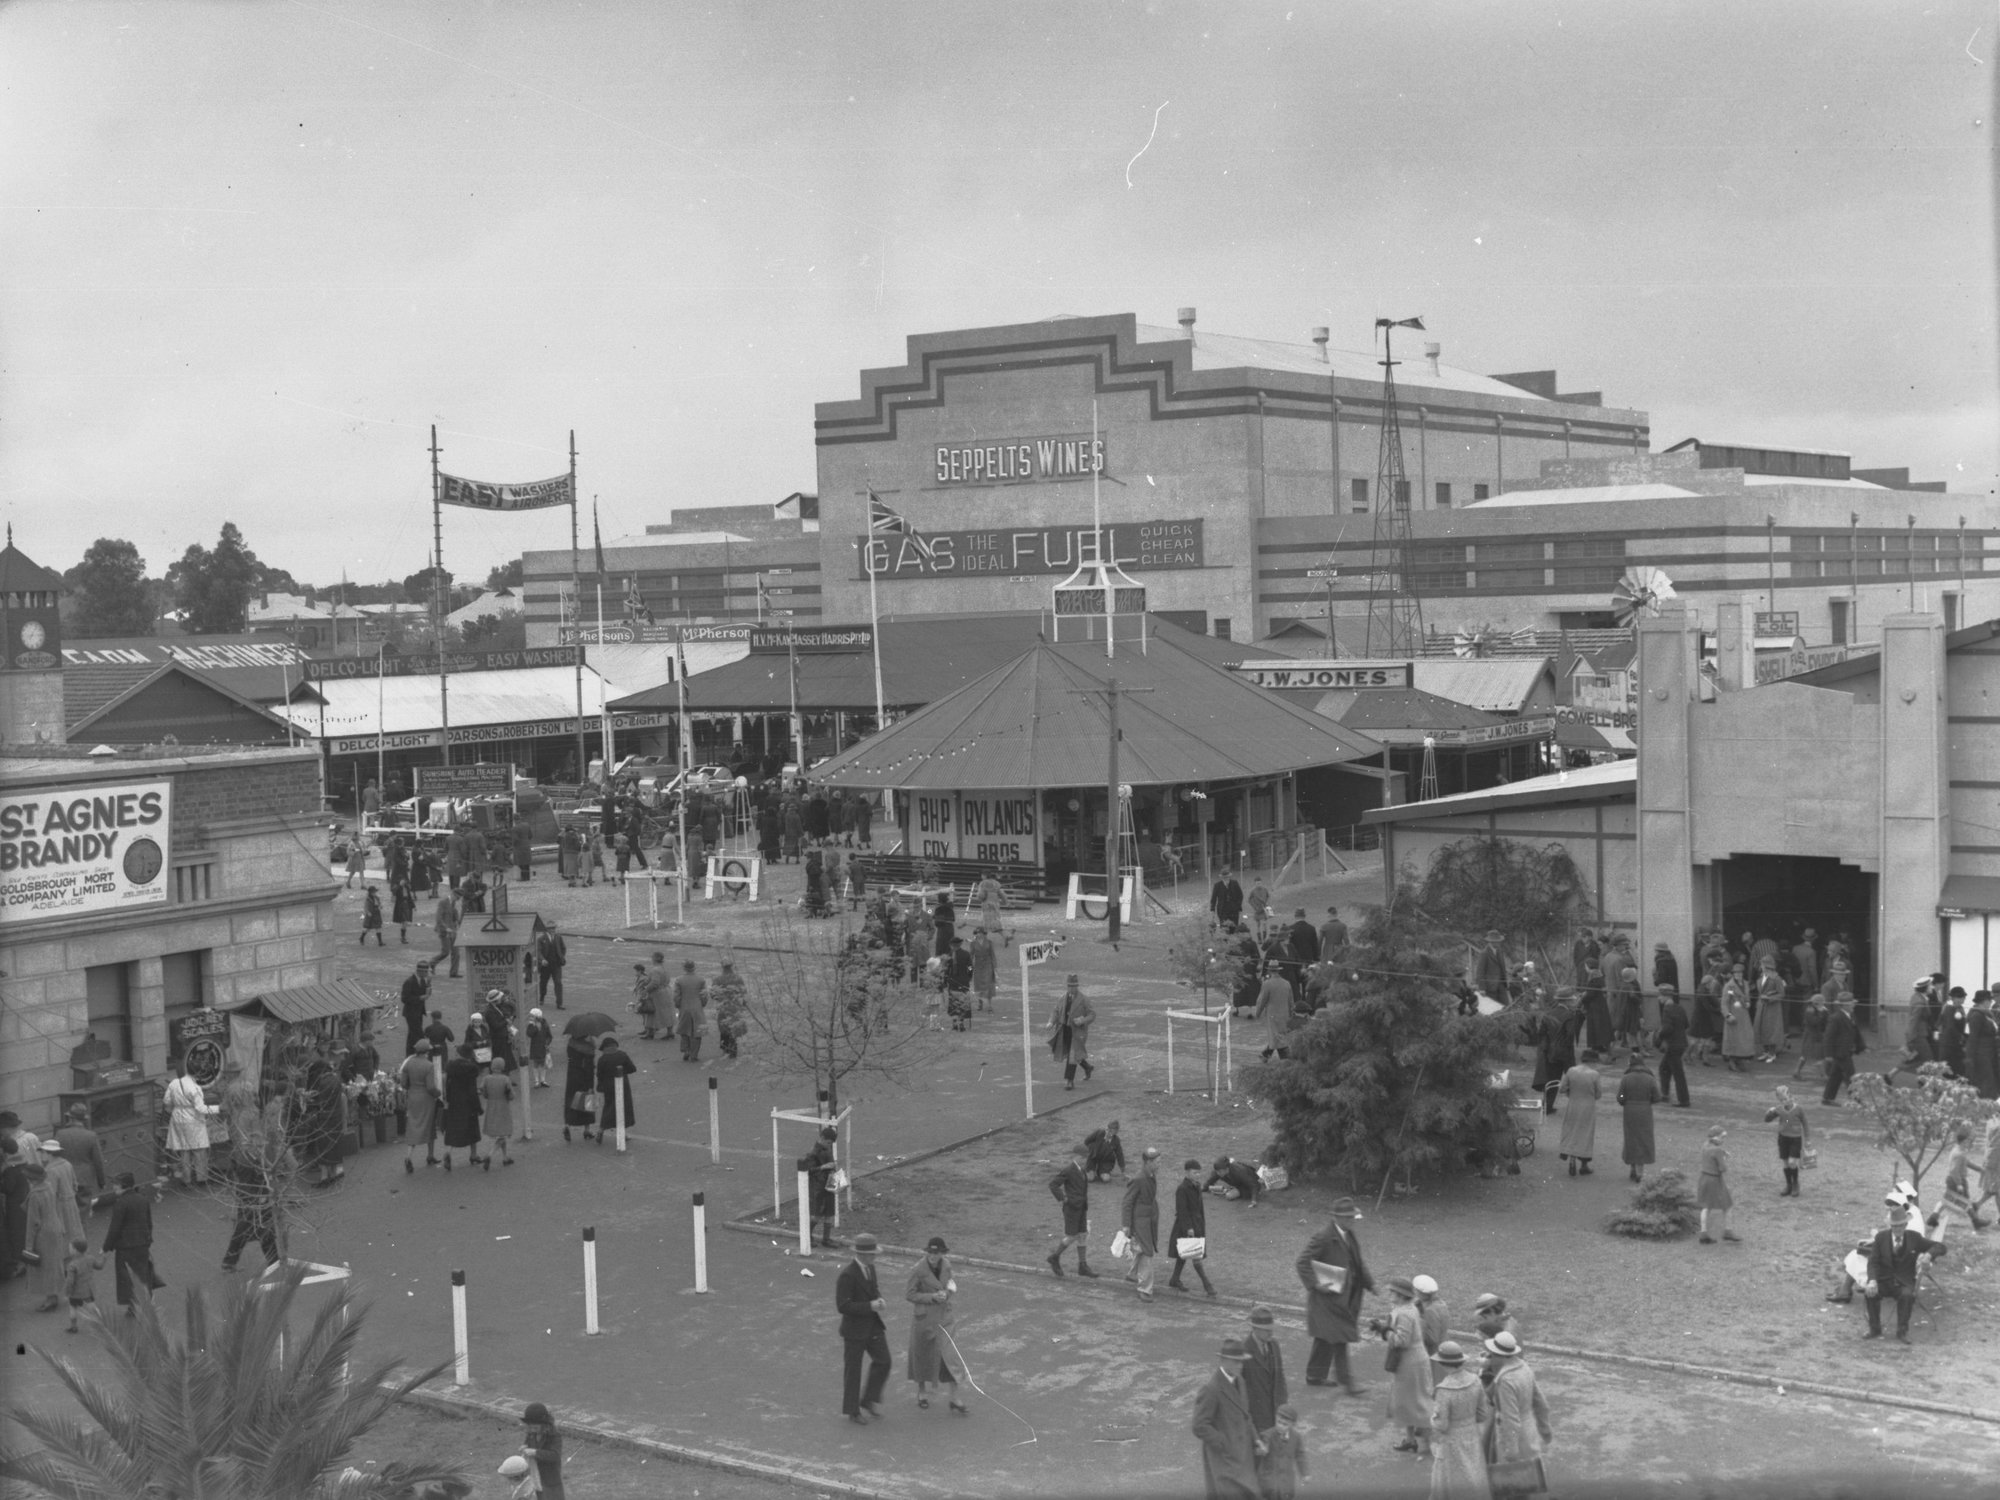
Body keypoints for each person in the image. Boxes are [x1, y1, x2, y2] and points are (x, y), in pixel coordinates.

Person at [1296, 1197, 1373, 1393]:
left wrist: (1369, 1283)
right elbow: (1302, 1262)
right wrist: (1316, 1285)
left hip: (1345, 1295)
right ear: (1336, 1217)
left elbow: (1357, 1261)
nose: (1352, 1220)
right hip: (1327, 1299)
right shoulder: (1323, 1236)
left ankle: (1314, 1376)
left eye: (1353, 1216)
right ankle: (1347, 1383)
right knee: (1340, 1338)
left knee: (1325, 1337)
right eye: (1348, 1217)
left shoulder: (1349, 1234)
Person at [1863, 1196, 1947, 1342]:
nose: (1897, 1229)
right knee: (1870, 1292)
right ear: (1890, 1226)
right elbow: (1873, 1262)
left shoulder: (1914, 1238)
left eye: (1900, 1225)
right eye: (1894, 1226)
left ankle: (1902, 1331)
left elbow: (1941, 1247)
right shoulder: (1881, 1238)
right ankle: (1874, 1329)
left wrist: (1928, 1254)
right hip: (1883, 1281)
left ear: (1906, 1225)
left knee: (1907, 1295)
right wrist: (1872, 1280)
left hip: (1904, 1282)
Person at [1191, 1338, 1263, 1500]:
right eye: (1236, 1362)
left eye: (1242, 1362)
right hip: (1224, 1461)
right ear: (1223, 1361)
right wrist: (1223, 1442)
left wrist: (1256, 1438)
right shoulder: (1212, 1389)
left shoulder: (1240, 1381)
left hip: (1243, 1456)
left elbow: (1246, 1414)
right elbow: (1199, 1425)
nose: (1240, 1366)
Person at [904, 1234, 968, 1413]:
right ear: (927, 1252)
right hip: (924, 1320)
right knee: (922, 1356)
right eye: (930, 1253)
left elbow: (950, 1285)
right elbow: (909, 1294)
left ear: (942, 1253)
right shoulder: (918, 1269)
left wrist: (947, 1294)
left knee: (950, 1356)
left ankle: (955, 1397)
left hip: (944, 1319)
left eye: (937, 1253)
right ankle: (922, 1392)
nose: (933, 1256)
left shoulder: (947, 1265)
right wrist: (932, 1297)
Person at [836, 1231, 893, 1424]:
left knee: (884, 1361)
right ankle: (853, 1410)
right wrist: (870, 1306)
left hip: (872, 1325)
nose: (875, 1256)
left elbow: (873, 1289)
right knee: (853, 1370)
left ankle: (868, 1399)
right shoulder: (848, 1275)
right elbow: (843, 1306)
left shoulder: (870, 1268)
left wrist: (878, 1299)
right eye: (872, 1253)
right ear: (861, 1254)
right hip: (854, 1330)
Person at [1376, 1276, 1435, 1456]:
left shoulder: (1404, 1313)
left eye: (1392, 1292)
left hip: (1411, 1363)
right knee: (1408, 1402)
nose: (1389, 1294)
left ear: (1401, 1295)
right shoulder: (1406, 1308)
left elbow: (1402, 1340)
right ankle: (1411, 1440)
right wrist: (1384, 1327)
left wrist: (1384, 1332)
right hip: (1411, 1361)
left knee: (1417, 1402)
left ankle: (1433, 1442)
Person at [1426, 1342, 1490, 1500]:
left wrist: (1431, 1419)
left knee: (1448, 1480)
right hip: (1472, 1435)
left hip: (1451, 1440)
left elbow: (1442, 1424)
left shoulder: (1444, 1389)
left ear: (1442, 1363)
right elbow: (1482, 1414)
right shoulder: (1475, 1380)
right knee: (1474, 1474)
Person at [1483, 1332, 1553, 1469]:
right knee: (1534, 1473)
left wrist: (1511, 1451)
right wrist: (1544, 1428)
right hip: (1529, 1429)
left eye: (1492, 1353)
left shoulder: (1506, 1381)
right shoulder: (1524, 1367)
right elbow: (1540, 1402)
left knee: (1514, 1480)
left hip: (1515, 1438)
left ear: (1499, 1355)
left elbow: (1510, 1419)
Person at [101, 1172, 164, 1312]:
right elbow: (148, 1222)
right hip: (142, 1243)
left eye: (116, 1184)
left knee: (127, 1276)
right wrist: (148, 1239)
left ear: (123, 1186)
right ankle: (147, 1301)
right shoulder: (142, 1199)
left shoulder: (120, 1203)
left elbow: (114, 1228)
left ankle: (133, 1305)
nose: (114, 1187)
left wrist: (106, 1247)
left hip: (125, 1246)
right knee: (142, 1273)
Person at [163, 1057, 218, 1186]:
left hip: (177, 1118)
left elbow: (166, 1102)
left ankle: (186, 1179)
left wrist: (175, 1110)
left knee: (184, 1150)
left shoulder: (174, 1083)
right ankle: (201, 1178)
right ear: (199, 1073)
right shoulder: (195, 1088)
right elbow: (201, 1108)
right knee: (199, 1149)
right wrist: (218, 1108)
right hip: (193, 1119)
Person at [1046, 1142, 1098, 1277]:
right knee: (1072, 1236)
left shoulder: (1081, 1171)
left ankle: (1083, 1265)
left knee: (1082, 1235)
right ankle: (1055, 1257)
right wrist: (1063, 1198)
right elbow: (1053, 1184)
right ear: (1077, 1156)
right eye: (1084, 1157)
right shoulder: (1069, 1170)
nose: (1086, 1160)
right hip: (1072, 1209)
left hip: (1081, 1208)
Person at [1167, 1158, 1216, 1298]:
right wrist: (1189, 1228)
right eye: (1195, 1172)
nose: (1197, 1175)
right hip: (1187, 1226)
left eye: (1199, 1173)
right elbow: (1182, 1210)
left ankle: (1174, 1279)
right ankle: (1208, 1286)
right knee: (1195, 1256)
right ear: (1187, 1173)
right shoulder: (1182, 1189)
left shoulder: (1196, 1186)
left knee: (1184, 1253)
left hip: (1197, 1224)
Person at [1121, 1145, 1161, 1302]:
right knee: (1147, 1252)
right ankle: (1144, 1289)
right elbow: (1127, 1202)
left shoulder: (1150, 1175)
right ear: (1148, 1162)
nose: (1159, 1164)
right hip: (1141, 1221)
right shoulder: (1139, 1179)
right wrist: (1126, 1225)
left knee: (1140, 1249)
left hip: (1148, 1219)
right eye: (1157, 1161)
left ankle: (1132, 1274)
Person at [1241, 1304, 1288, 1430]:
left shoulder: (1274, 1345)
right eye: (1266, 1329)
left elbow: (1280, 1377)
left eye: (1271, 1329)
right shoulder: (1243, 1351)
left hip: (1276, 1413)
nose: (1271, 1332)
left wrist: (1283, 1405)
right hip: (1255, 1418)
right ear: (1255, 1329)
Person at [53, 1105, 107, 1213]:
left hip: (65, 1177)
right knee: (83, 1212)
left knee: (66, 1212)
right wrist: (102, 1182)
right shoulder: (91, 1136)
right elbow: (98, 1161)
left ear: (71, 1118)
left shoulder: (60, 1134)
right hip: (84, 1179)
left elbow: (54, 1156)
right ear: (84, 1120)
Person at [439, 1044, 485, 1171]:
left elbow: (447, 1086)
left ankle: (448, 1152)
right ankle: (473, 1154)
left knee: (453, 1129)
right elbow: (472, 1091)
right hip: (468, 1104)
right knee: (472, 1129)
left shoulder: (450, 1068)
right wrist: (478, 1107)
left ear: (460, 1054)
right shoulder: (471, 1070)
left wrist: (447, 1099)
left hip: (454, 1102)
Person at [1556, 1050, 1601, 1177]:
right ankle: (1584, 1165)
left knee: (1571, 1130)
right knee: (1585, 1133)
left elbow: (1562, 1089)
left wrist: (1571, 1091)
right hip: (1588, 1107)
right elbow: (1598, 1094)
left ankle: (1571, 1158)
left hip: (1573, 1105)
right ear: (1593, 1061)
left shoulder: (1571, 1071)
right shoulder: (1594, 1074)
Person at [1617, 1050, 1659, 1183]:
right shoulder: (1650, 1078)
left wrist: (1624, 1100)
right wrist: (1648, 1101)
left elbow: (1621, 1095)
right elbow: (1657, 1097)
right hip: (1645, 1110)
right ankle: (1640, 1171)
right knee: (1644, 1139)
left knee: (1631, 1138)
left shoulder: (1626, 1078)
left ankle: (1633, 1167)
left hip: (1629, 1110)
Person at [1049, 974, 1096, 1090]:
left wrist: (1083, 1020)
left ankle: (1069, 1081)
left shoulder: (1084, 999)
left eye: (1074, 986)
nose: (1071, 988)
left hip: (1077, 1032)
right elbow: (1056, 1011)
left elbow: (1092, 1014)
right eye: (1069, 986)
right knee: (1074, 1054)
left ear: (1077, 986)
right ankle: (1087, 1067)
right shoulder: (1062, 998)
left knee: (1072, 1055)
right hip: (1064, 1030)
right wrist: (1051, 1022)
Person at [1763, 1086, 1812, 1197]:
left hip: (1795, 1138)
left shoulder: (1799, 1109)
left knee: (1791, 1162)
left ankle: (1795, 1184)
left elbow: (1805, 1123)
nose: (1784, 1102)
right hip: (1783, 1138)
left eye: (1785, 1099)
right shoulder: (1779, 1109)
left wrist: (1807, 1139)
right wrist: (1769, 1113)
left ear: (1791, 1097)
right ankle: (1788, 1185)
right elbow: (1767, 1120)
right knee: (1785, 1163)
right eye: (1781, 1100)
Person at [1695, 1124, 1738, 1244]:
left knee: (1706, 1206)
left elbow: (1712, 1152)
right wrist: (1723, 1158)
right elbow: (1722, 1168)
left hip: (1704, 1178)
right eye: (1722, 1137)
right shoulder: (1717, 1150)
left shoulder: (1705, 1145)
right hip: (1715, 1180)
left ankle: (1703, 1233)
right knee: (1727, 1205)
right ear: (1716, 1138)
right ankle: (1728, 1231)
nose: (1724, 1140)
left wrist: (1723, 1152)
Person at [1256, 1403, 1309, 1500]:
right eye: (1279, 1422)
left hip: (1287, 1481)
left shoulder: (1296, 1437)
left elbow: (1300, 1455)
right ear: (1276, 1418)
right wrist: (1262, 1449)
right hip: (1270, 1481)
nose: (1280, 1426)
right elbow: (1260, 1447)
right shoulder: (1268, 1435)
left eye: (1285, 1424)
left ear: (1292, 1424)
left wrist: (1304, 1473)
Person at [1822, 993, 1863, 1105]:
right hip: (1840, 1051)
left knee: (1836, 1075)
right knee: (1851, 1075)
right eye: (1851, 1004)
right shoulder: (1836, 1018)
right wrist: (1828, 1054)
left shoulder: (1851, 1016)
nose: (1853, 1006)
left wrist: (1860, 1045)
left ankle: (1827, 1098)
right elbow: (1828, 1037)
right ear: (1845, 1005)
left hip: (1846, 1050)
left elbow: (1856, 1032)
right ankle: (1855, 1099)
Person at [804, 1124, 840, 1250]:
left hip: (827, 1184)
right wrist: (824, 1167)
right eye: (829, 1143)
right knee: (816, 1214)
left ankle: (826, 1239)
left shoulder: (827, 1149)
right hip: (817, 1187)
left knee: (829, 1213)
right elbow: (808, 1170)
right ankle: (807, 1236)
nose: (830, 1145)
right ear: (823, 1138)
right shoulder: (813, 1153)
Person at [595, 1035, 636, 1142]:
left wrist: (600, 1087)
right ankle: (623, 1134)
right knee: (624, 1109)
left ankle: (601, 1130)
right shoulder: (622, 1055)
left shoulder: (602, 1059)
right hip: (623, 1085)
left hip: (608, 1086)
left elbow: (599, 1075)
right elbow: (632, 1069)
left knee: (609, 1108)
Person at [520, 1401, 565, 1500]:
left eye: (535, 1427)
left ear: (544, 1424)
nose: (532, 1429)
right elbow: (528, 1443)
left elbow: (555, 1455)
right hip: (535, 1477)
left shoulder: (554, 1436)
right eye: (530, 1427)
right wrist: (524, 1447)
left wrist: (535, 1452)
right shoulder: (531, 1434)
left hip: (550, 1479)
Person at [1656, 985, 1691, 1107]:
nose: (1659, 998)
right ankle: (1665, 1095)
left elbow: (1667, 1028)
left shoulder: (1667, 1010)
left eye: (1660, 996)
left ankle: (1684, 1100)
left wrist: (1659, 1034)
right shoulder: (1680, 1008)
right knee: (1664, 1068)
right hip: (1681, 1044)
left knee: (1678, 1073)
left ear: (1665, 997)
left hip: (1672, 1045)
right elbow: (1686, 1024)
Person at [478, 1057, 517, 1168]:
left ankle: (505, 1157)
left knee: (501, 1134)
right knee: (502, 1134)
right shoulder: (505, 1079)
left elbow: (483, 1092)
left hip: (491, 1106)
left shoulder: (486, 1078)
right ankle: (489, 1155)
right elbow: (511, 1096)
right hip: (503, 1107)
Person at [562, 1032, 600, 1143]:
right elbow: (588, 1066)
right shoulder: (588, 1048)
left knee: (570, 1101)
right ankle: (587, 1130)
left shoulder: (571, 1044)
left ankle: (567, 1126)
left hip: (572, 1076)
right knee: (587, 1102)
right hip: (585, 1078)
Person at [1254, 965, 1296, 1063]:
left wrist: (1258, 1012)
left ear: (1269, 971)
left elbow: (1262, 1000)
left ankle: (1284, 1057)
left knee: (1276, 1036)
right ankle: (1266, 1055)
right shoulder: (1287, 983)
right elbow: (1291, 1001)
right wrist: (1291, 1013)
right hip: (1285, 1014)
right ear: (1278, 971)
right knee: (1280, 1035)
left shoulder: (1267, 984)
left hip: (1272, 1015)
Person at [1720, 965, 1756, 1072]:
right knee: (1734, 1039)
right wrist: (1727, 1015)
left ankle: (1740, 1059)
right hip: (1734, 1016)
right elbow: (1724, 1003)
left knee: (1744, 1038)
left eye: (1740, 973)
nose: (1738, 975)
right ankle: (1732, 1060)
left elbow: (1747, 996)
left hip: (1744, 1015)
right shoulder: (1729, 986)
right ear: (1733, 974)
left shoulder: (1745, 984)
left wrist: (1748, 1002)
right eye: (1736, 973)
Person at [673, 958, 709, 1063]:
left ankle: (686, 1050)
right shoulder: (701, 980)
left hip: (684, 1007)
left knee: (684, 1030)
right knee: (697, 1032)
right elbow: (704, 995)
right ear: (694, 967)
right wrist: (702, 1004)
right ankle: (694, 1054)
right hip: (697, 1007)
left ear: (684, 968)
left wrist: (678, 1005)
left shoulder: (679, 980)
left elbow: (676, 996)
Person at [711, 959, 749, 1060]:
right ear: (731, 966)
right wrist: (744, 1004)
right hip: (735, 1006)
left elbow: (713, 994)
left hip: (723, 1006)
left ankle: (725, 1048)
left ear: (722, 966)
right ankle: (733, 1048)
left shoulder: (718, 979)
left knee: (724, 1027)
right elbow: (744, 992)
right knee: (734, 1027)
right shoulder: (738, 978)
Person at [62, 1235, 100, 1334]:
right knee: (92, 1306)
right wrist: (104, 1259)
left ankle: (73, 1326)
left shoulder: (72, 1265)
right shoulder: (90, 1258)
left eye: (70, 1248)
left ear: (75, 1250)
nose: (69, 1250)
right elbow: (99, 1266)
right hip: (87, 1289)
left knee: (73, 1308)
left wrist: (67, 1293)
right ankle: (101, 1324)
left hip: (75, 1292)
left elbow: (70, 1281)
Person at [1966, 990, 1999, 1100]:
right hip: (1981, 1053)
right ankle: (1986, 1106)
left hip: (1990, 1053)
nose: (1991, 1003)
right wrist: (1970, 1057)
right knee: (1987, 1081)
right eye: (1990, 1001)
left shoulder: (1986, 1014)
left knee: (1990, 1080)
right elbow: (1973, 1038)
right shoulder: (1977, 1015)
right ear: (1985, 1001)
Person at [1754, 956, 1787, 1062]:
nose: (1761, 967)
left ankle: (1772, 1053)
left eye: (1762, 965)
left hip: (1772, 1007)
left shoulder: (1776, 978)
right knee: (1761, 1027)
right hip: (1761, 1006)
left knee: (1771, 1029)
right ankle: (1766, 1052)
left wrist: (1770, 998)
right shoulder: (1761, 977)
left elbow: (1781, 994)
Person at [400, 961, 431, 1055]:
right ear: (420, 971)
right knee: (418, 1034)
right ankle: (419, 1053)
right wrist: (419, 998)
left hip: (419, 1012)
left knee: (412, 1035)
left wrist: (429, 984)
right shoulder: (409, 982)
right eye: (425, 972)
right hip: (411, 1013)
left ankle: (410, 1054)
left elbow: (427, 994)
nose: (426, 974)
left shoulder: (423, 980)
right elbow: (404, 998)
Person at [536, 922, 567, 1010]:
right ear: (547, 929)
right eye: (550, 928)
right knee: (543, 983)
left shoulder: (558, 937)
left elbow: (563, 948)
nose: (552, 930)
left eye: (553, 928)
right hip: (545, 966)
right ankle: (542, 997)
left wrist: (561, 956)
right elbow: (538, 951)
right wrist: (542, 960)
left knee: (558, 983)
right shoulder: (541, 939)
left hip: (556, 965)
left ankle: (559, 1003)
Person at [970, 926, 997, 1013]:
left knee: (989, 985)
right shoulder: (973, 943)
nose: (979, 935)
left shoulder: (989, 942)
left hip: (988, 965)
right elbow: (971, 956)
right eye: (977, 933)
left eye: (980, 933)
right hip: (978, 966)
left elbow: (993, 955)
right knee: (978, 985)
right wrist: (969, 967)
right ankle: (979, 1002)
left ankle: (989, 1005)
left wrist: (995, 967)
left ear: (984, 934)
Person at [524, 1008, 553, 1089]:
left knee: (543, 1064)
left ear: (537, 1017)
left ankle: (543, 1080)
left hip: (543, 1047)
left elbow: (549, 1036)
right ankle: (537, 1081)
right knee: (536, 1064)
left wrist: (547, 1043)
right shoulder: (531, 1024)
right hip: (535, 1047)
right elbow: (529, 1034)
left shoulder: (544, 1023)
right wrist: (535, 1027)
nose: (531, 1018)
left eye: (533, 1016)